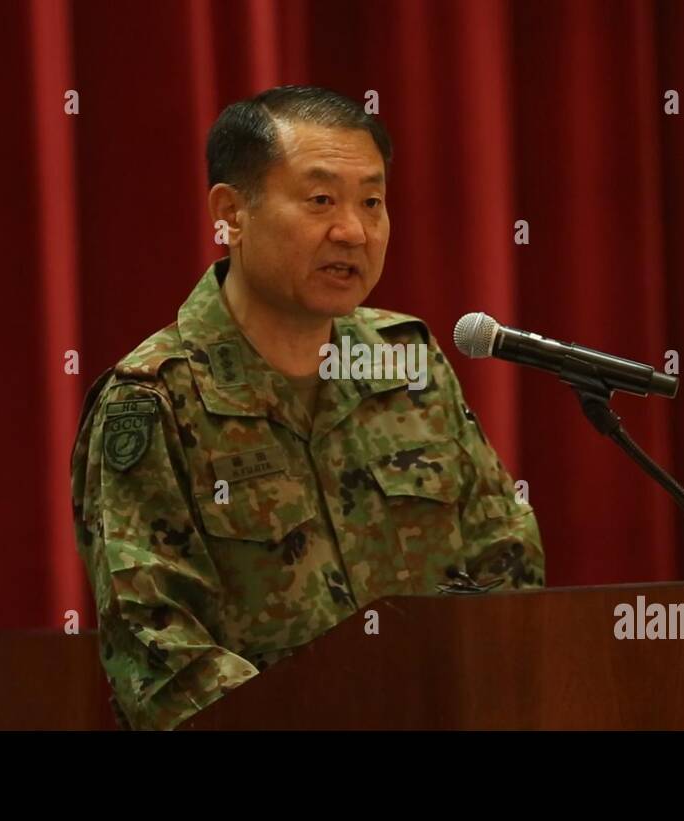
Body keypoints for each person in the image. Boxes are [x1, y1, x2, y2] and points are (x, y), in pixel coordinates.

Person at [70, 85, 543, 730]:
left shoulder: (406, 360)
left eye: (372, 202)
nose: (352, 230)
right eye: (320, 200)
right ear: (231, 213)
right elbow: (159, 647)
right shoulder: (154, 398)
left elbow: (505, 561)